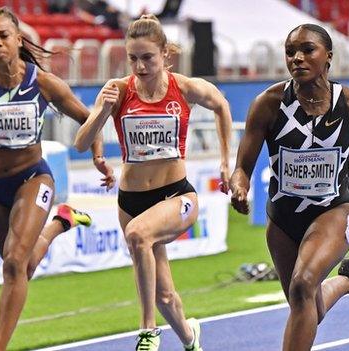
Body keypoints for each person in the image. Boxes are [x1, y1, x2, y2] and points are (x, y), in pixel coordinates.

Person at [229, 24, 349, 351]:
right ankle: (348, 281)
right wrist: (238, 188)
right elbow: (241, 168)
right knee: (307, 307)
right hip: (282, 221)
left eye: (307, 50)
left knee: (303, 285)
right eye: (291, 52)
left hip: (332, 212)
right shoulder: (269, 103)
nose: (297, 59)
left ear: (328, 57)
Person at [74, 14, 232, 351]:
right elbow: (81, 143)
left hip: (176, 196)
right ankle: (191, 340)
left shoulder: (184, 87)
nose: (140, 66)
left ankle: (147, 331)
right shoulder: (117, 91)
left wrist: (225, 160)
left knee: (137, 235)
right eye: (133, 58)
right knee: (164, 295)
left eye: (148, 58)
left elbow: (221, 104)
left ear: (165, 55)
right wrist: (102, 111)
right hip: (130, 202)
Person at [0, 7, 114, 351]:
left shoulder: (43, 83)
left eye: (2, 36)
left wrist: (98, 155)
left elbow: (89, 118)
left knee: (12, 265)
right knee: (20, 269)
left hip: (32, 179)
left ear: (18, 39)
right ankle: (59, 224)